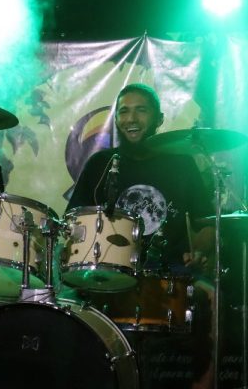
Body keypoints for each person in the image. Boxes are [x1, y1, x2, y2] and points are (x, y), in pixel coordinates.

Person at [65, 83, 215, 388]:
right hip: (110, 271)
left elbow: (208, 224)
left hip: (170, 272)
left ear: (159, 119)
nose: (131, 118)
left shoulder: (181, 164)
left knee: (210, 303)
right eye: (124, 111)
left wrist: (200, 250)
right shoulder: (101, 164)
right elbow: (74, 221)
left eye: (140, 110)